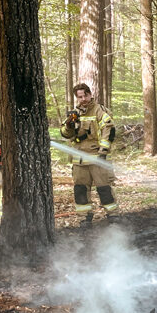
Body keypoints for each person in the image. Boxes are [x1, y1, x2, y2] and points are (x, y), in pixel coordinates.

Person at [60, 83, 118, 227]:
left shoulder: (100, 111)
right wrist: (69, 126)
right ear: (77, 98)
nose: (83, 99)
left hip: (98, 158)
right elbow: (65, 134)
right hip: (79, 160)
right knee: (80, 190)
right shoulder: (74, 114)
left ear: (90, 94)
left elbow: (109, 130)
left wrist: (103, 152)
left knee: (104, 189)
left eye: (85, 95)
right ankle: (84, 218)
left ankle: (113, 216)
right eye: (80, 97)